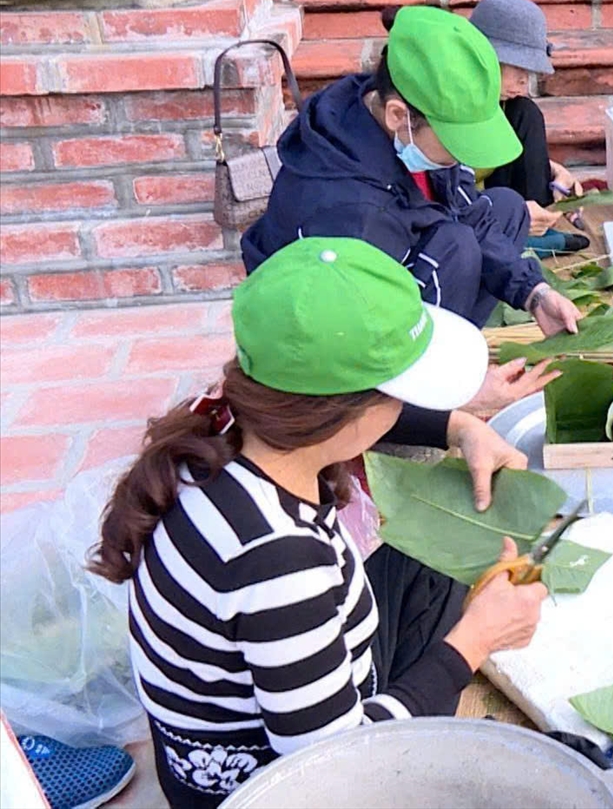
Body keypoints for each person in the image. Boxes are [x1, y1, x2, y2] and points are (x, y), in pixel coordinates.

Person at [92, 237, 550, 809]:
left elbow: (361, 408)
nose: (402, 407)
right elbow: (340, 769)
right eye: (400, 392)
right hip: (272, 787)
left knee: (439, 561)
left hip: (260, 724)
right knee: (464, 645)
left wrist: (458, 428)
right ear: (346, 412)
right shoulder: (276, 557)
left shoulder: (229, 422)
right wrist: (477, 639)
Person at [240, 5, 581, 336]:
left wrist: (534, 293)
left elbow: (468, 211)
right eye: (455, 142)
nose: (462, 156)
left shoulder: (402, 116)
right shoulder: (351, 211)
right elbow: (354, 336)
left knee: (504, 207)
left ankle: (457, 340)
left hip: (395, 273)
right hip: (332, 344)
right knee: (457, 244)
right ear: (397, 116)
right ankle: (432, 381)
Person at [464, 0, 590, 256]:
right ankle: (520, 237)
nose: (525, 81)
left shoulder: (506, 106)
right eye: (519, 69)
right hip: (462, 208)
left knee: (527, 112)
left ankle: (540, 224)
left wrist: (554, 175)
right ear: (484, 59)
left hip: (500, 195)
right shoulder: (449, 104)